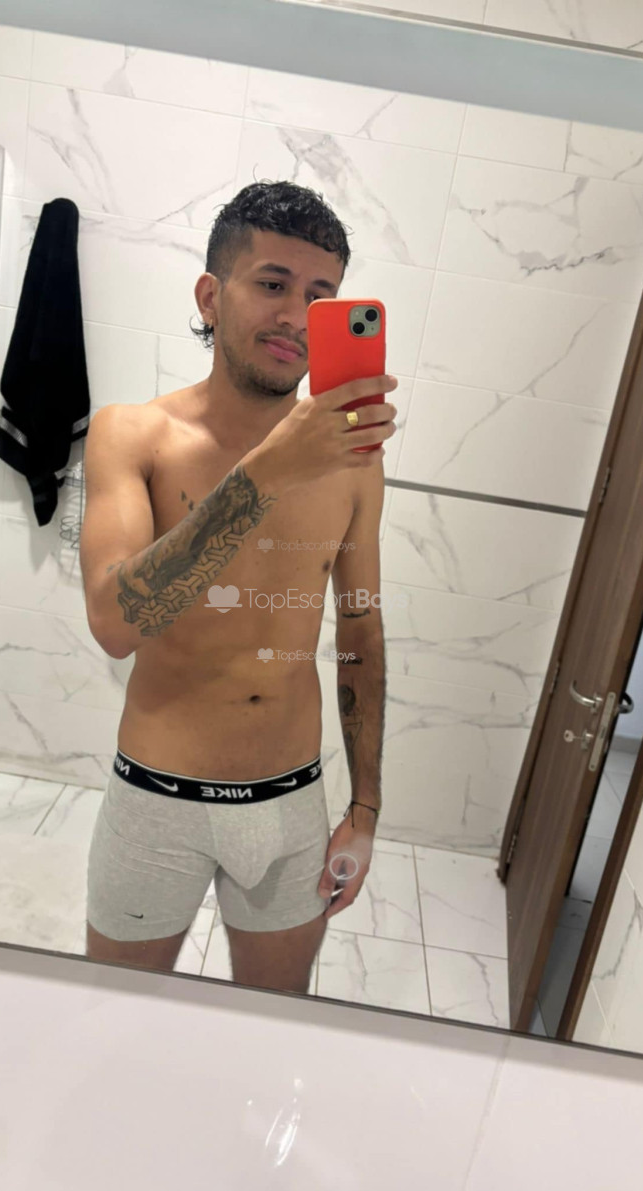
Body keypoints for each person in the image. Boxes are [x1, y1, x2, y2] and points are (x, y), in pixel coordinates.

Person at [81, 180, 399, 994]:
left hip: (290, 804)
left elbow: (360, 633)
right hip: (156, 799)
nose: (296, 315)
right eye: (272, 284)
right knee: (114, 1017)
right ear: (210, 296)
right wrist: (269, 471)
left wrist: (364, 808)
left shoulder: (355, 462)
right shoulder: (134, 434)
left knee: (271, 1023)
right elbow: (116, 623)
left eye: (321, 296)